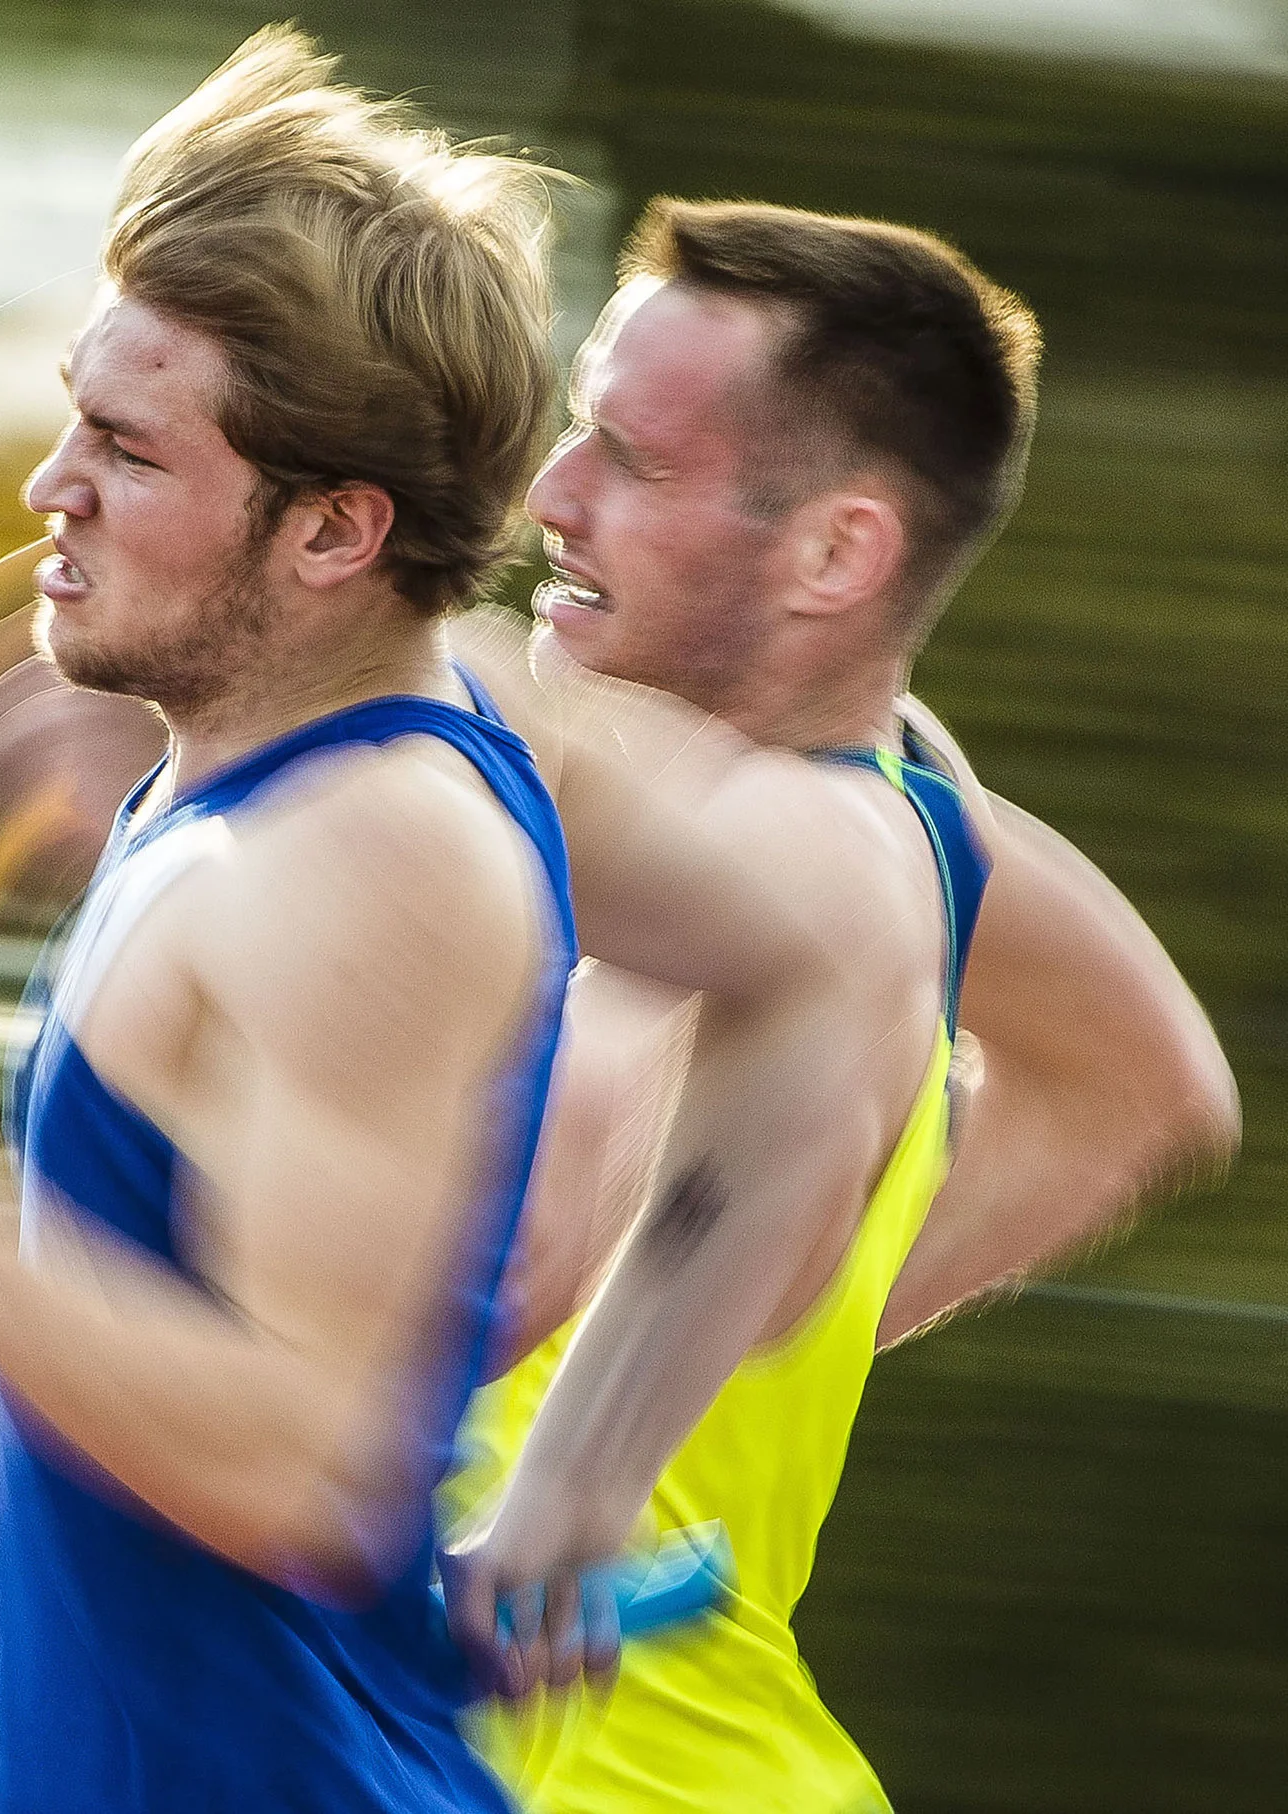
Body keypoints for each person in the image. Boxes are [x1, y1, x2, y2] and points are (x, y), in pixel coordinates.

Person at [0, 31, 930, 1812]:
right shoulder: (385, 746)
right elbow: (815, 966)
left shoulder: (372, 850)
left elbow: (300, 1470)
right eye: (75, 415)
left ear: (331, 533)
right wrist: (577, 1485)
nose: (46, 491)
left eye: (126, 450)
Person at [451, 201, 1241, 1811]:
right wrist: (784, 1294)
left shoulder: (803, 869)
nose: (552, 497)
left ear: (837, 553)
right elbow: (1156, 1085)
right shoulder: (919, 816)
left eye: (632, 460)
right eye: (572, 435)